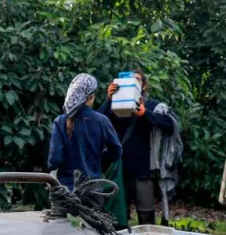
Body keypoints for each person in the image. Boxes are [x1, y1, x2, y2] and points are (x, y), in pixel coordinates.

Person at [97, 70, 178, 225]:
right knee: (118, 211)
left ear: (144, 85)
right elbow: (98, 121)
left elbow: (170, 125)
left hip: (142, 169)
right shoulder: (115, 105)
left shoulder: (151, 105)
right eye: (130, 79)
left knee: (146, 212)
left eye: (138, 80)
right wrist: (108, 100)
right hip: (119, 168)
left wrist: (145, 113)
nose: (134, 82)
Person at [47, 73, 122, 190]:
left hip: (66, 189)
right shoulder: (101, 121)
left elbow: (54, 160)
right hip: (93, 190)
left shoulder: (60, 121)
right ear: (91, 97)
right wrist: (99, 156)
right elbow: (116, 152)